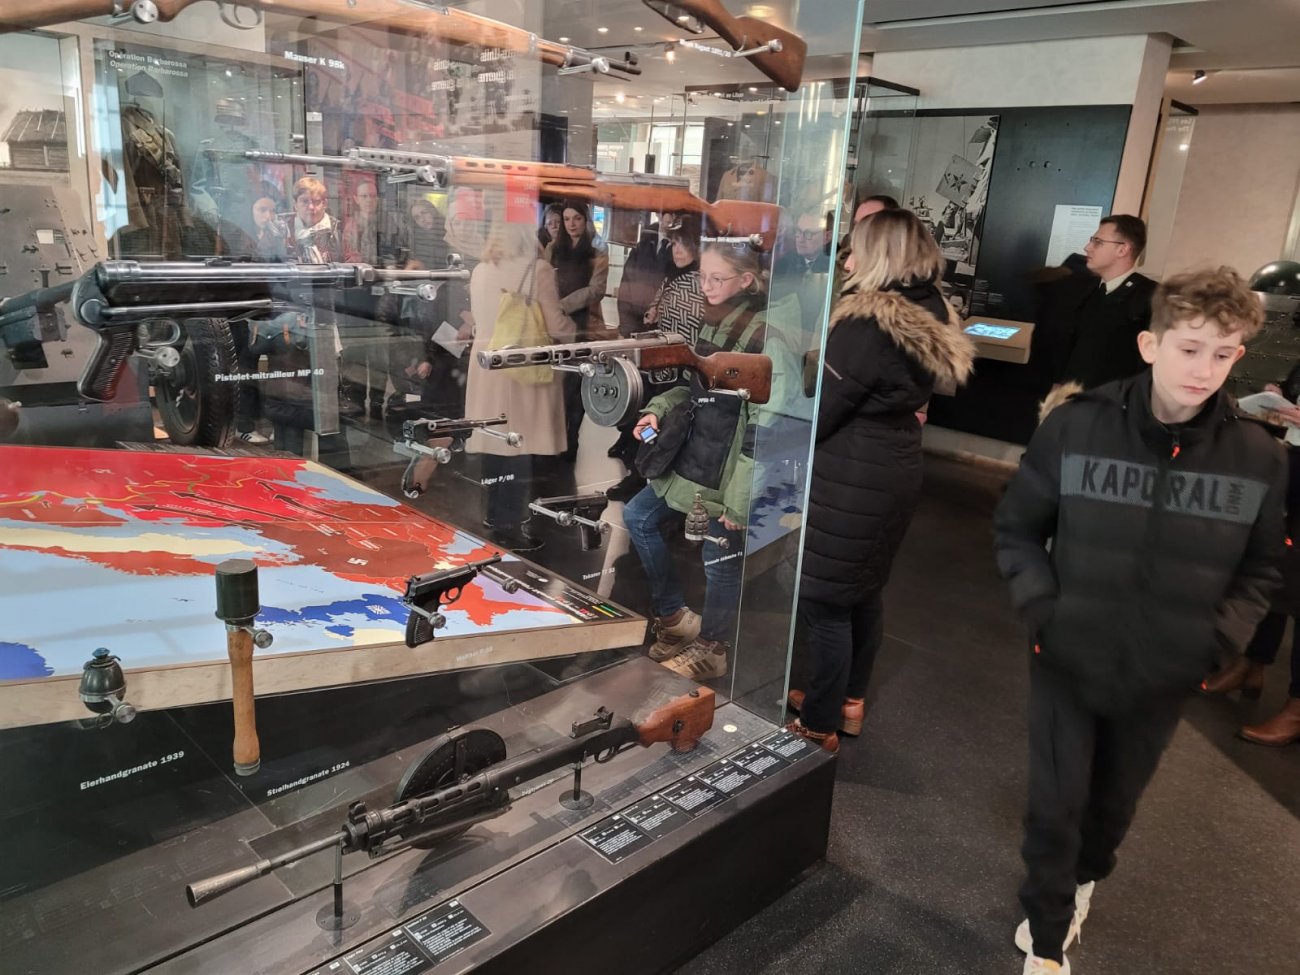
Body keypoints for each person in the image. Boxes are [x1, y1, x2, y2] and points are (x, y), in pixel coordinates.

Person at [993, 266, 1285, 975]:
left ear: (1240, 355)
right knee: (1055, 806)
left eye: (1223, 353)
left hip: (1166, 667)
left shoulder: (1259, 456)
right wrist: (1045, 609)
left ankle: (1085, 878)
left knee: (1111, 808)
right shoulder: (1076, 425)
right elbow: (1018, 529)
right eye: (1189, 348)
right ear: (1151, 344)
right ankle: (1049, 939)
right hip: (1068, 653)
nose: (1204, 370)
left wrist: (1217, 642)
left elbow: (1261, 569)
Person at [787, 210, 975, 753]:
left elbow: (826, 409)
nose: (846, 262)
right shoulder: (929, 306)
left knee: (825, 599)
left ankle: (819, 722)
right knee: (863, 590)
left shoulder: (867, 322)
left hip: (853, 471)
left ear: (882, 256)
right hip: (894, 462)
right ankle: (848, 699)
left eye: (855, 251)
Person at [623, 241, 770, 681]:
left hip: (727, 470)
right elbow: (692, 387)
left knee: (719, 558)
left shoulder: (761, 335)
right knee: (639, 517)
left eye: (716, 278)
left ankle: (713, 647)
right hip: (696, 455)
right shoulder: (715, 321)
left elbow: (762, 424)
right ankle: (675, 617)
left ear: (746, 280)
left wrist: (739, 501)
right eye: (702, 277)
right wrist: (657, 409)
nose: (705, 286)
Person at [463, 205, 574, 551]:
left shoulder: (480, 269)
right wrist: (578, 331)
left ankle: (493, 515)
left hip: (487, 368)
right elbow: (556, 325)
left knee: (495, 445)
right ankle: (510, 529)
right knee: (519, 450)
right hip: (521, 370)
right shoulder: (537, 269)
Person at [1038, 214, 1157, 393]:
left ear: (1122, 249)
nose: (1087, 248)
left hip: (1114, 403)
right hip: (1072, 399)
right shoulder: (1084, 289)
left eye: (1098, 242)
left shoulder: (1151, 297)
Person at [546, 200, 609, 460]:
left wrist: (563, 305)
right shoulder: (553, 248)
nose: (571, 224)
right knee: (556, 385)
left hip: (584, 326)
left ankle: (572, 438)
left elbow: (597, 290)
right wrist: (552, 308)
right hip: (555, 325)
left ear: (586, 220)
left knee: (577, 386)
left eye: (577, 218)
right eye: (567, 219)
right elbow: (543, 282)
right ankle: (555, 438)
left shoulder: (597, 251)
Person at [775, 207, 832, 278]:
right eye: (798, 231)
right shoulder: (785, 263)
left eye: (808, 233)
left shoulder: (833, 265)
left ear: (827, 237)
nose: (800, 239)